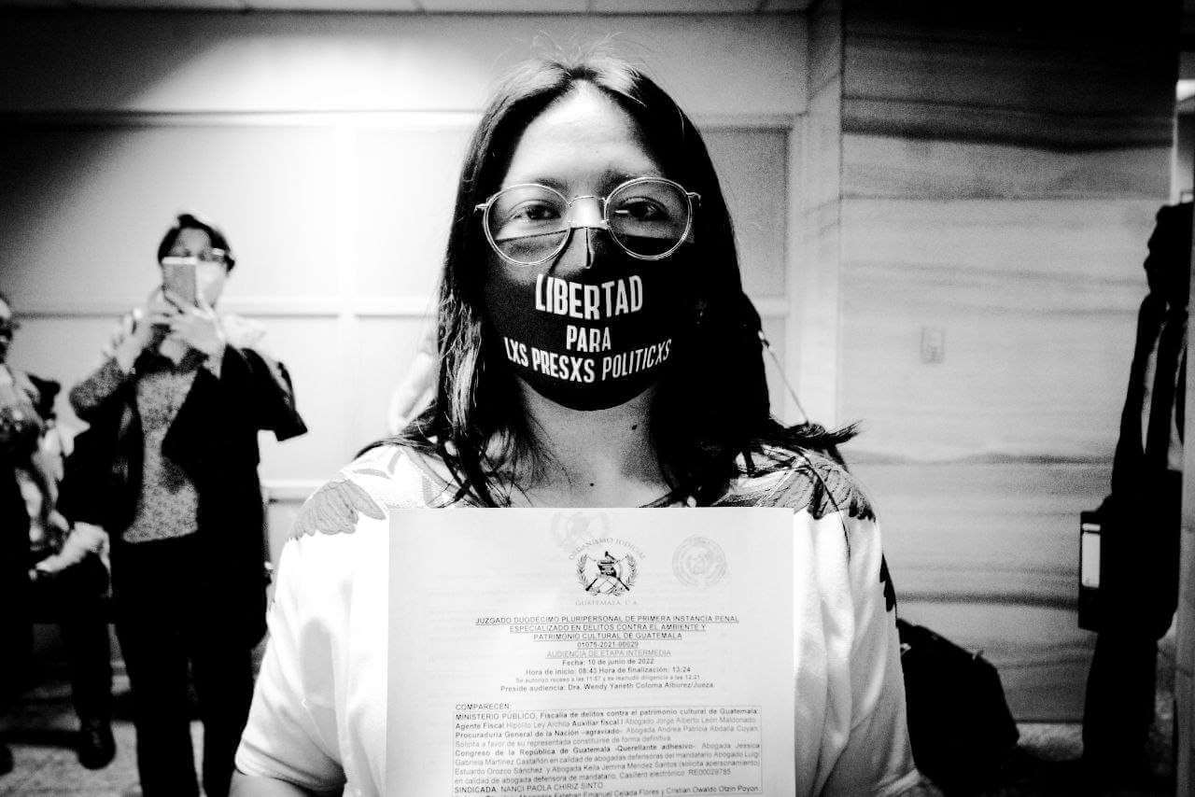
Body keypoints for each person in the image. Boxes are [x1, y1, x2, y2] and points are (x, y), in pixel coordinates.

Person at [232, 56, 922, 797]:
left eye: (641, 208)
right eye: (537, 211)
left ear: (700, 259)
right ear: (477, 263)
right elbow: (281, 769)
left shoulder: (815, 519)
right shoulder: (359, 523)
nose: (589, 248)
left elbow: (876, 784)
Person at [67, 213, 307, 797]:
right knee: (156, 698)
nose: (195, 265)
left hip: (218, 550)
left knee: (228, 696)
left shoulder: (244, 336)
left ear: (226, 269)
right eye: (180, 254)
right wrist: (134, 345)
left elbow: (280, 414)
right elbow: (84, 402)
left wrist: (216, 347)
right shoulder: (135, 333)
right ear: (163, 267)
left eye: (208, 255)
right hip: (140, 546)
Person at [1081, 200, 1192, 784]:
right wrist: (1120, 487)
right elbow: (1140, 402)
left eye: (1158, 252)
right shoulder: (1153, 312)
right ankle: (1107, 759)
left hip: (1184, 497)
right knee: (1118, 628)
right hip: (1139, 488)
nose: (1147, 262)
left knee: (1158, 628)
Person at [0, 292, 115, 775]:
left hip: (57, 549)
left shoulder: (50, 425)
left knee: (86, 595)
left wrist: (57, 559)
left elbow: (86, 514)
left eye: (7, 326)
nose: (3, 336)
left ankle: (95, 720)